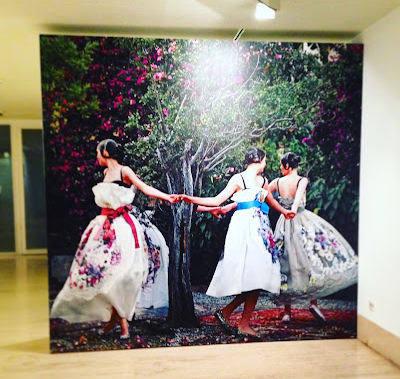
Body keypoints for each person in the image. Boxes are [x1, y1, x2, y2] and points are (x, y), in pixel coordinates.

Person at [50, 139, 178, 339]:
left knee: (121, 273)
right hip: (104, 227)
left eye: (98, 152)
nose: (97, 157)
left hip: (122, 227)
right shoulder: (105, 174)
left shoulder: (124, 171)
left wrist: (167, 197)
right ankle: (114, 321)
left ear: (106, 152)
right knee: (103, 272)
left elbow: (144, 188)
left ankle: (121, 323)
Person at [182, 148, 295, 336]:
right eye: (264, 160)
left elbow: (270, 201)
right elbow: (217, 200)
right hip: (243, 227)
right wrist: (190, 199)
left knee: (258, 274)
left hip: (260, 227)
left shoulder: (263, 181)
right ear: (259, 160)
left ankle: (231, 315)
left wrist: (285, 212)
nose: (265, 164)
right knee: (251, 275)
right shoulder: (238, 179)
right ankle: (240, 321)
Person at [269, 152, 358, 323]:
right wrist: (293, 210)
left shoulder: (277, 182)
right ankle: (313, 303)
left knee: (285, 262)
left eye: (281, 165)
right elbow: (298, 197)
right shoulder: (302, 180)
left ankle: (287, 312)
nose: (280, 168)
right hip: (301, 220)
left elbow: (265, 193)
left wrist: (283, 209)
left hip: (284, 223)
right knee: (309, 258)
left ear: (287, 166)